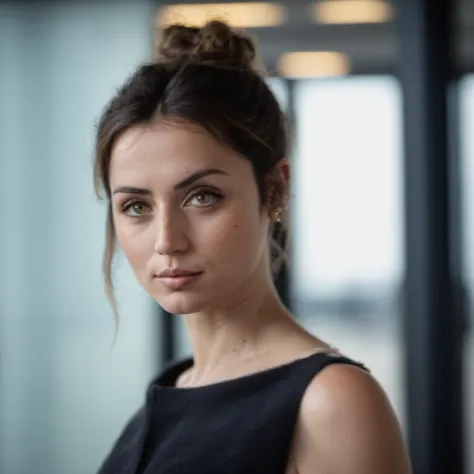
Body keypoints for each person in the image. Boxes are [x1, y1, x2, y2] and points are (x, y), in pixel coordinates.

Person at [94, 19, 412, 474]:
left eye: (203, 197)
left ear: (275, 190)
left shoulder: (331, 403)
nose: (167, 240)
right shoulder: (167, 394)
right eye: (136, 206)